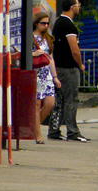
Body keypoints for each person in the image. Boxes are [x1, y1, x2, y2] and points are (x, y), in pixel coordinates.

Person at [48, 0, 90, 142]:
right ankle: (73, 132)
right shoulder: (69, 26)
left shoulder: (58, 22)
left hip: (58, 67)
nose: (78, 7)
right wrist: (80, 65)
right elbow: (74, 49)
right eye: (77, 5)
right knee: (71, 99)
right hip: (69, 68)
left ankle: (54, 130)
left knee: (59, 100)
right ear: (72, 7)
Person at [31, 11, 61, 145]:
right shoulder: (30, 37)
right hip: (36, 73)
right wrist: (34, 53)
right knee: (36, 104)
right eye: (43, 23)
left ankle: (33, 125)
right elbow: (22, 53)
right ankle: (38, 134)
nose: (46, 26)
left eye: (48, 23)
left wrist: (55, 77)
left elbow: (50, 58)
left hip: (47, 74)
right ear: (36, 23)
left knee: (49, 103)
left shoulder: (47, 38)